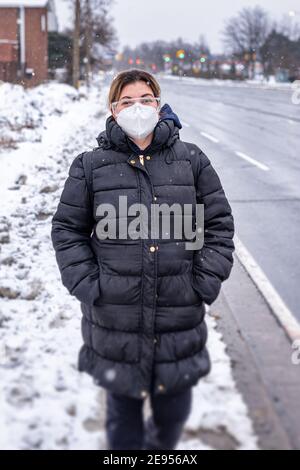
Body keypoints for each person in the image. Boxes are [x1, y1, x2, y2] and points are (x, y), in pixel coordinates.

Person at [51, 68, 235, 450]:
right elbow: (67, 230)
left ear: (159, 104)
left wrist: (204, 280)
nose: (138, 108)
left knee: (171, 422)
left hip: (178, 320)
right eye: (127, 101)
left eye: (145, 99)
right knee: (122, 427)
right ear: (113, 110)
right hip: (115, 323)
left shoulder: (192, 160)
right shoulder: (90, 166)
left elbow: (218, 224)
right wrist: (88, 284)